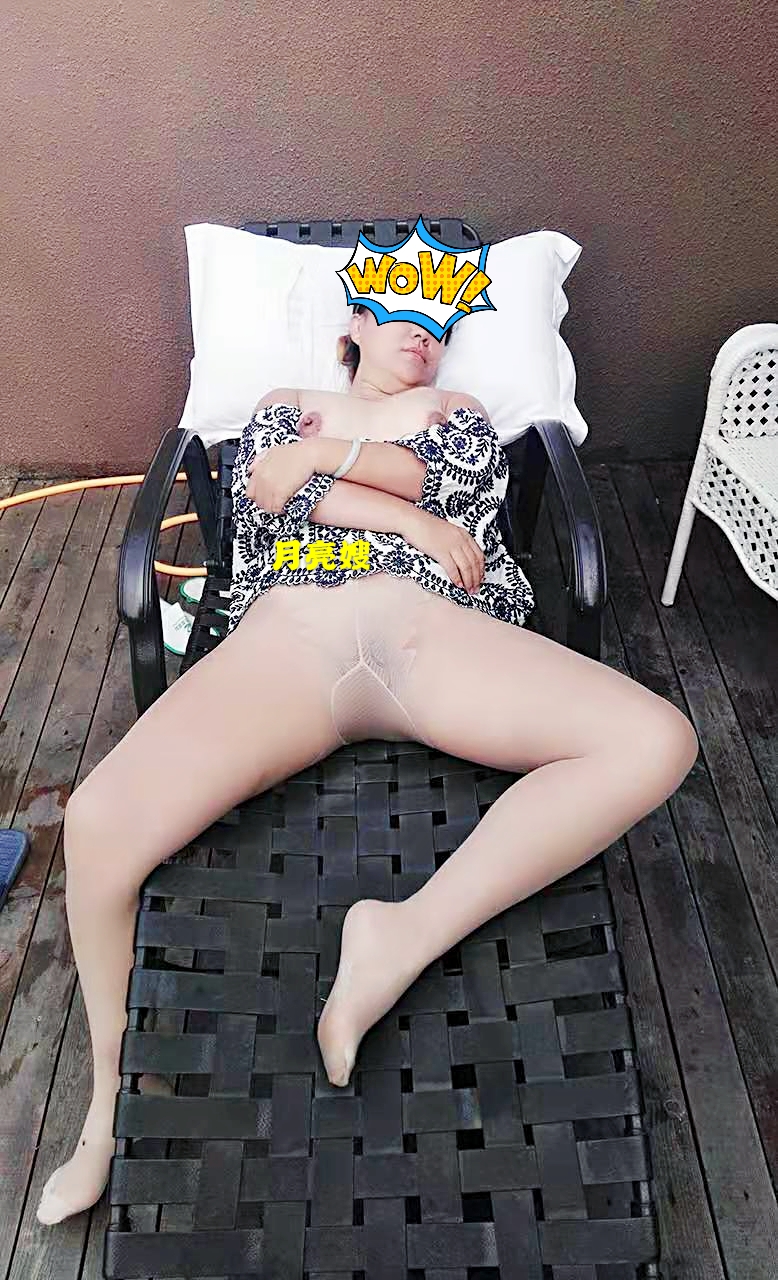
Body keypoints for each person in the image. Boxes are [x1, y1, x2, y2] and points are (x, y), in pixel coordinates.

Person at [36, 302, 699, 1227]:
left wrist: (331, 466)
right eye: (398, 312)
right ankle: (111, 1103)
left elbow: (449, 486)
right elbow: (268, 491)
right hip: (294, 635)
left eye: (440, 322)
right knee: (96, 823)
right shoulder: (283, 401)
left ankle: (401, 935)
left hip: (423, 629)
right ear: (352, 326)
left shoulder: (457, 410)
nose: (423, 331)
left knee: (657, 739)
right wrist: (386, 505)